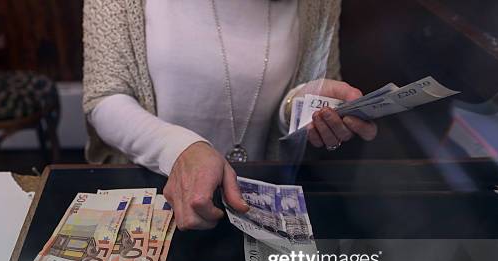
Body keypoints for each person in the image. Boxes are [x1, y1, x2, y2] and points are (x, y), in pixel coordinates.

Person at [83, 0, 377, 231]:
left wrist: (299, 105)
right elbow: (105, 98)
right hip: (153, 190)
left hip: (258, 201)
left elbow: (293, 101)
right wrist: (179, 149)